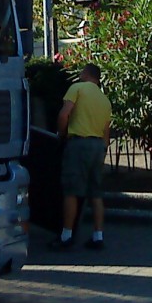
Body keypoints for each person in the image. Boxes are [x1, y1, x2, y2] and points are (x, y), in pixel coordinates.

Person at [51, 63, 112, 250]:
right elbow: (106, 133)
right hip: (97, 146)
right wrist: (102, 149)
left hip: (79, 143)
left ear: (87, 73)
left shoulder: (77, 88)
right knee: (95, 192)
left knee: (71, 190)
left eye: (81, 72)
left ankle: (66, 236)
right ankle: (98, 236)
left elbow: (64, 115)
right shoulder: (105, 100)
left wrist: (61, 135)